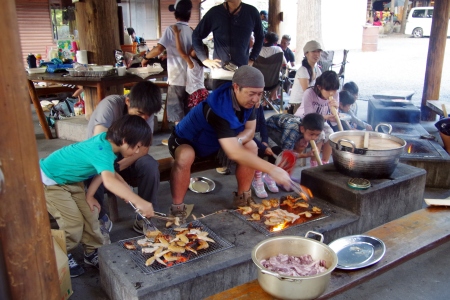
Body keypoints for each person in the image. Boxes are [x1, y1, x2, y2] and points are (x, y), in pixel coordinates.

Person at [167, 66, 291, 220]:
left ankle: (243, 198)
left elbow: (250, 131)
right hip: (187, 142)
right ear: (236, 87)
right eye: (251, 94)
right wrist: (273, 170)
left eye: (259, 94)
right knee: (186, 155)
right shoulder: (218, 108)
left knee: (251, 145)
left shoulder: (249, 102)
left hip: (216, 144)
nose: (256, 99)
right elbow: (233, 152)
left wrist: (236, 141)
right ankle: (177, 208)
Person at [41, 115, 154, 277]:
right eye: (137, 147)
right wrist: (139, 201)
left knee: (91, 212)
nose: (137, 152)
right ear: (124, 140)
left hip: (72, 180)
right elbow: (108, 182)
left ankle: (92, 252)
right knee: (73, 225)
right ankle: (56, 253)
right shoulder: (102, 150)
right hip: (52, 181)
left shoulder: (107, 143)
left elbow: (104, 172)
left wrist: (91, 195)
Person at [86, 81, 162, 235]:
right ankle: (100, 219)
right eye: (140, 114)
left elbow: (144, 149)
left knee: (149, 165)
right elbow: (99, 148)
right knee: (93, 171)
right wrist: (113, 172)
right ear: (128, 102)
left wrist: (118, 167)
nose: (144, 119)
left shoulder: (146, 112)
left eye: (148, 116)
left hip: (123, 159)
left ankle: (145, 218)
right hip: (101, 156)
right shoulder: (110, 106)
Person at [141, 0, 193, 125]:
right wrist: (167, 55)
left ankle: (178, 140)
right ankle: (186, 139)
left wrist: (146, 58)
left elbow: (159, 49)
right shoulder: (192, 31)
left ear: (176, 14)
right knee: (187, 112)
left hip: (176, 78)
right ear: (189, 15)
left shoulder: (172, 29)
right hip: (190, 78)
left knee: (177, 115)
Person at [192, 0, 264, 88]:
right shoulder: (215, 12)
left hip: (242, 72)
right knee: (220, 101)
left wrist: (253, 57)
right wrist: (204, 59)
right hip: (220, 72)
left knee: (239, 101)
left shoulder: (251, 12)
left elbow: (260, 36)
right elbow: (196, 35)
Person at [295, 71, 340, 165]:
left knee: (331, 135)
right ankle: (314, 164)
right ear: (319, 87)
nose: (332, 93)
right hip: (304, 120)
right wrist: (326, 117)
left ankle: (325, 162)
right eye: (328, 90)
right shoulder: (309, 93)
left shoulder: (335, 94)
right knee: (320, 134)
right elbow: (310, 117)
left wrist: (335, 110)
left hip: (321, 121)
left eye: (334, 90)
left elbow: (335, 120)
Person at [171, 25, 209, 109]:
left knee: (195, 117)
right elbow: (192, 49)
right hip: (203, 92)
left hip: (195, 93)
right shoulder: (200, 63)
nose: (192, 48)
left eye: (194, 49)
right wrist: (194, 35)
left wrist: (176, 34)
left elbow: (180, 51)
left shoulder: (192, 62)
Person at [251, 101, 278, 199]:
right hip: (249, 136)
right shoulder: (245, 109)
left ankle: (268, 176)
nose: (257, 100)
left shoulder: (259, 107)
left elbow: (263, 124)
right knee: (259, 151)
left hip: (259, 134)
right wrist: (263, 147)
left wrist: (265, 141)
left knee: (276, 150)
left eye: (260, 95)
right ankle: (257, 179)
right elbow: (247, 134)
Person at [289, 40, 323, 115]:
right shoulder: (303, 70)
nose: (317, 54)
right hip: (299, 104)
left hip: (310, 102)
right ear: (306, 53)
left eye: (318, 52)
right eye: (313, 51)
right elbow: (307, 93)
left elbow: (322, 85)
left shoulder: (317, 68)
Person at [259, 31, 287, 103]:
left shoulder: (257, 50)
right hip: (273, 82)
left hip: (258, 81)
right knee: (281, 78)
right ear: (276, 41)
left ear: (265, 39)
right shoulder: (278, 50)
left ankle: (262, 99)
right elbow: (285, 64)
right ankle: (269, 99)